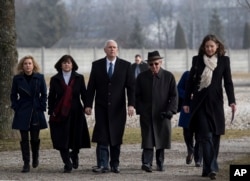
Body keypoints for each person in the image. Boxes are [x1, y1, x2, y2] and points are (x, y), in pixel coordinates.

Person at [183, 34, 236, 180]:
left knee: (216, 136)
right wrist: (186, 102)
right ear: (203, 47)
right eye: (207, 46)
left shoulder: (224, 61)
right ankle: (213, 167)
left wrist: (232, 101)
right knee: (205, 136)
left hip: (216, 104)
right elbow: (189, 84)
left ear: (217, 46)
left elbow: (228, 83)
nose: (209, 49)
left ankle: (207, 169)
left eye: (212, 46)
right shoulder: (197, 60)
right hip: (199, 104)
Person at [85, 40, 135, 174]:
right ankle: (102, 164)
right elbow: (91, 87)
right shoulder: (97, 65)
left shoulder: (126, 66)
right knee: (102, 136)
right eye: (110, 47)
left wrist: (131, 104)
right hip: (101, 108)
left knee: (115, 137)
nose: (112, 49)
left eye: (114, 47)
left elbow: (131, 88)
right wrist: (88, 104)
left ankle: (115, 164)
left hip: (118, 109)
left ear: (117, 49)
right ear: (105, 50)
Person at [135, 50, 178, 172]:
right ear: (148, 64)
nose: (154, 66)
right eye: (151, 64)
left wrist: (170, 111)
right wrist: (141, 109)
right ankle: (147, 163)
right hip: (147, 113)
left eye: (156, 64)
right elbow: (136, 95)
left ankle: (160, 162)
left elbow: (174, 96)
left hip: (162, 113)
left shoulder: (169, 76)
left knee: (161, 138)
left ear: (161, 63)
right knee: (147, 139)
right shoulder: (142, 77)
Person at [48, 55, 91, 173]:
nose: (67, 65)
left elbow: (84, 94)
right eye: (64, 63)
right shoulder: (55, 79)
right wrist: (50, 111)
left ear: (73, 65)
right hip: (61, 112)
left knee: (76, 136)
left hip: (76, 111)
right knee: (62, 138)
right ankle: (67, 162)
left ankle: (75, 154)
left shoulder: (79, 78)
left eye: (69, 63)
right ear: (60, 65)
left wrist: (87, 106)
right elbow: (51, 96)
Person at [10, 55, 48, 173]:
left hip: (36, 110)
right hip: (22, 110)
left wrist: (41, 106)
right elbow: (13, 95)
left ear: (33, 65)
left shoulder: (40, 78)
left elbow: (44, 94)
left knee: (35, 138)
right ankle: (26, 163)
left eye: (30, 63)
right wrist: (16, 107)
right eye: (25, 63)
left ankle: (35, 157)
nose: (27, 65)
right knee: (24, 138)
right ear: (22, 65)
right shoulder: (17, 79)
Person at [177, 70, 202, 167]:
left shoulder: (206, 74)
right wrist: (188, 95)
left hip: (200, 108)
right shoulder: (186, 74)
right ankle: (190, 150)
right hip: (187, 107)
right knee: (187, 133)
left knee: (200, 135)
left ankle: (198, 158)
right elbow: (179, 88)